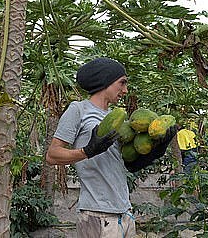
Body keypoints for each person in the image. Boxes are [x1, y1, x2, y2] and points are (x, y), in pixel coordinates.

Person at [46, 57, 178, 238]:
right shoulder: (78, 110)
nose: (125, 90)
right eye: (122, 83)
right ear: (104, 81)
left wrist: (157, 150)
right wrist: (87, 151)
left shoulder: (117, 118)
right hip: (97, 214)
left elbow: (128, 164)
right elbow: (52, 155)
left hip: (124, 212)